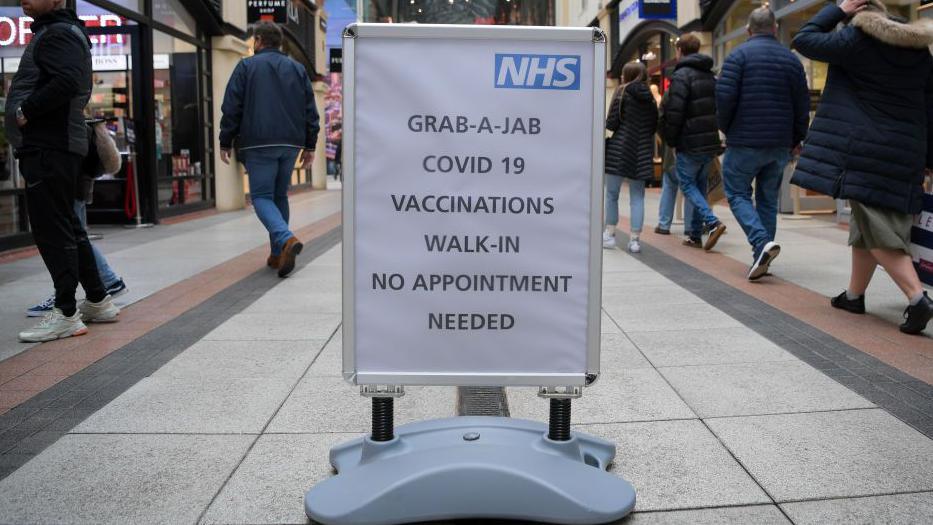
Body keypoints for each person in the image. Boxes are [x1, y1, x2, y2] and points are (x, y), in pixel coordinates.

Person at [791, 0, 933, 335]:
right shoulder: (920, 51)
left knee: (879, 227)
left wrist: (838, 9)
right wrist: (928, 159)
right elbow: (931, 106)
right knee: (866, 220)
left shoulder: (856, 39)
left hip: (864, 148)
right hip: (905, 147)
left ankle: (917, 299)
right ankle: (854, 295)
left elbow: (805, 39)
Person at [5, 0, 119, 342]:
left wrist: (26, 109)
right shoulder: (58, 31)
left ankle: (66, 312)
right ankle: (97, 300)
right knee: (67, 224)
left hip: (49, 146)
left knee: (53, 230)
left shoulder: (57, 34)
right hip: (53, 145)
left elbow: (67, 81)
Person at [219, 21, 321, 278]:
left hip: (258, 142)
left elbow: (232, 106)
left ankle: (285, 239)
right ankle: (278, 254)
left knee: (261, 197)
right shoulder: (297, 69)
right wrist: (310, 144)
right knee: (279, 196)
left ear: (259, 41)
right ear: (279, 43)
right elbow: (310, 110)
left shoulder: (246, 66)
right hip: (290, 143)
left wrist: (225, 139)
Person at [716, 6, 810, 281]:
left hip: (744, 141)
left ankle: (760, 244)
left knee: (736, 192)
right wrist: (796, 138)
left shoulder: (737, 56)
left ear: (748, 30)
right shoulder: (791, 60)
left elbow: (724, 99)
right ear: (775, 29)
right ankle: (763, 255)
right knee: (768, 199)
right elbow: (801, 104)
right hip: (779, 144)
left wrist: (727, 128)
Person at [26, 121, 128, 317]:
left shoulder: (75, 123)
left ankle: (72, 293)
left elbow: (101, 162)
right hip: (75, 188)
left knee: (70, 240)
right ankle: (107, 282)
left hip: (70, 188)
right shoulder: (81, 121)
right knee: (76, 238)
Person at [659, 33, 727, 251]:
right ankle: (694, 235)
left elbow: (675, 113)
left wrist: (671, 141)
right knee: (699, 185)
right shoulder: (710, 76)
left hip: (689, 143)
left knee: (687, 183)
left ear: (680, 51)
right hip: (709, 141)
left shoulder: (681, 77)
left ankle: (712, 221)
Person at [604, 62, 659, 253]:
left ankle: (610, 235)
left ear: (626, 75)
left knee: (612, 194)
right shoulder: (650, 98)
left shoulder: (622, 92)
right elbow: (653, 126)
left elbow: (611, 124)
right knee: (638, 197)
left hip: (618, 150)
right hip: (642, 151)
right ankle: (635, 240)